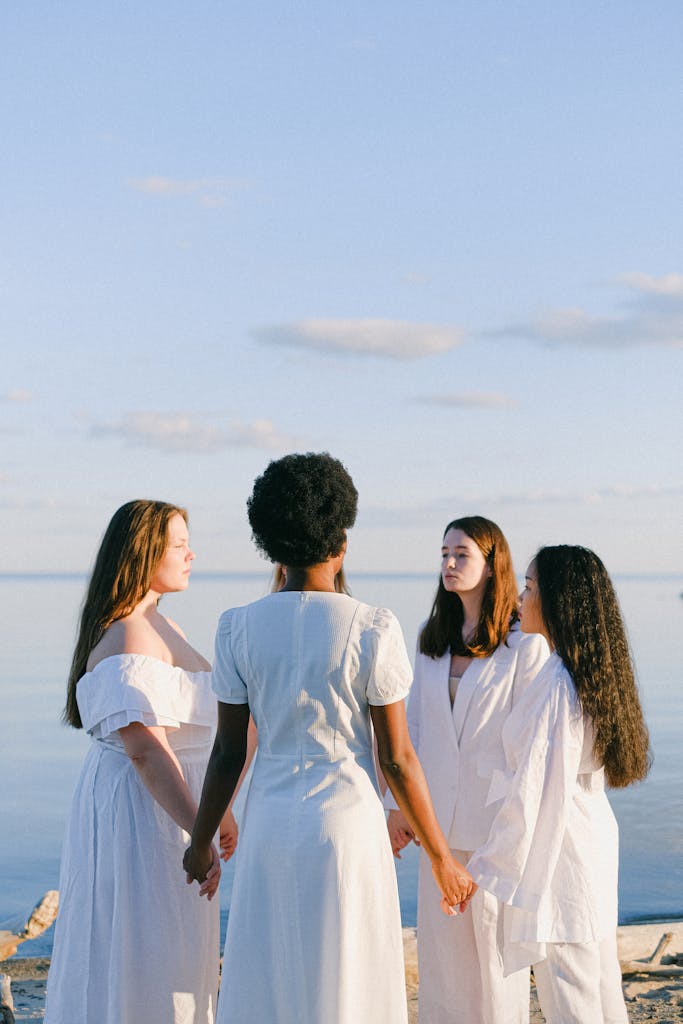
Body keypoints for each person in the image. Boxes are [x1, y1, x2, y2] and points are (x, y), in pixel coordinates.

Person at [184, 453, 474, 1024]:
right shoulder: (372, 626)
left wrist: (200, 839)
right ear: (341, 540)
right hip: (346, 827)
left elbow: (227, 752)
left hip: (269, 823)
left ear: (271, 544)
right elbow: (397, 757)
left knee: (271, 976)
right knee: (349, 978)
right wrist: (441, 856)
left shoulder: (236, 625)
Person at [45, 500, 235, 1024]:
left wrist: (217, 812)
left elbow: (191, 737)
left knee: (176, 951)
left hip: (178, 808)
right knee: (142, 949)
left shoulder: (162, 624)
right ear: (144, 552)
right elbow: (147, 751)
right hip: (141, 814)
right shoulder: (127, 633)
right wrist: (200, 827)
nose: (191, 554)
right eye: (179, 545)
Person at [468, 545, 651, 1024]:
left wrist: (487, 868)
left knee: (574, 998)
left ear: (559, 601)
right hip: (587, 842)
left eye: (529, 589)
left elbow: (533, 792)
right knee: (599, 990)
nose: (518, 601)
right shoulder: (582, 674)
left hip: (561, 853)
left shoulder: (558, 686)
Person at [385, 516, 549, 1024]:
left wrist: (515, 828)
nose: (449, 564)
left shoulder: (524, 643)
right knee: (441, 963)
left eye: (462, 555)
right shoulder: (429, 635)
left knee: (495, 964)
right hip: (436, 823)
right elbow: (409, 727)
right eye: (444, 554)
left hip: (496, 829)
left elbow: (532, 748)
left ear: (491, 562)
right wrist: (396, 806)